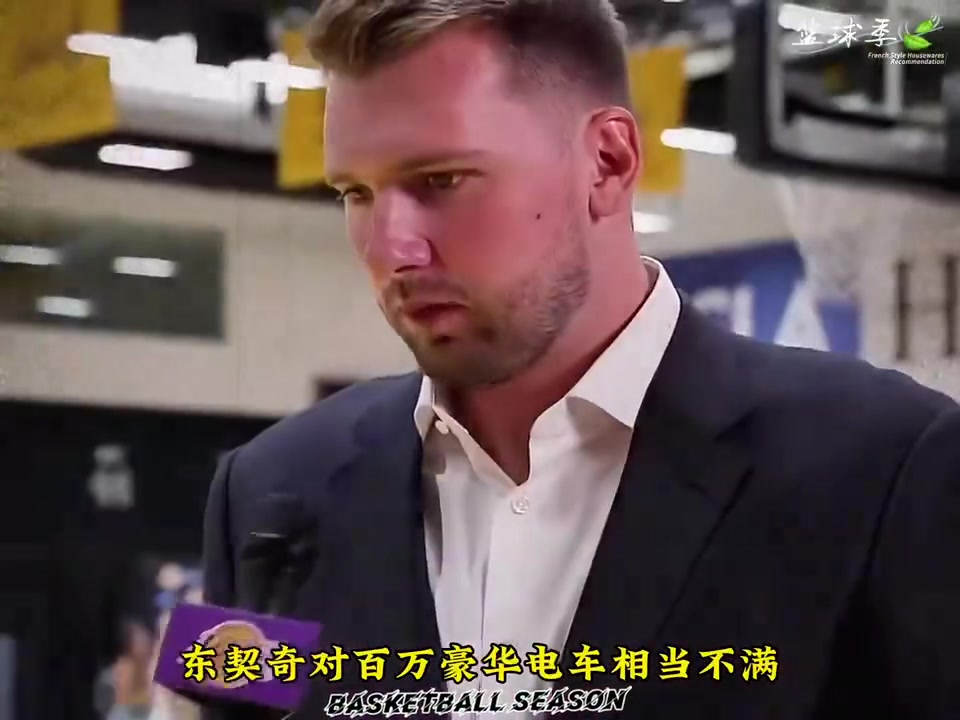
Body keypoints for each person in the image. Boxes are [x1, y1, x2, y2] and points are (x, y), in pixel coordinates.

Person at [202, 0, 960, 717]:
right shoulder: (265, 494)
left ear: (607, 161)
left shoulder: (890, 468)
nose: (391, 248)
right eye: (355, 193)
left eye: (441, 180)